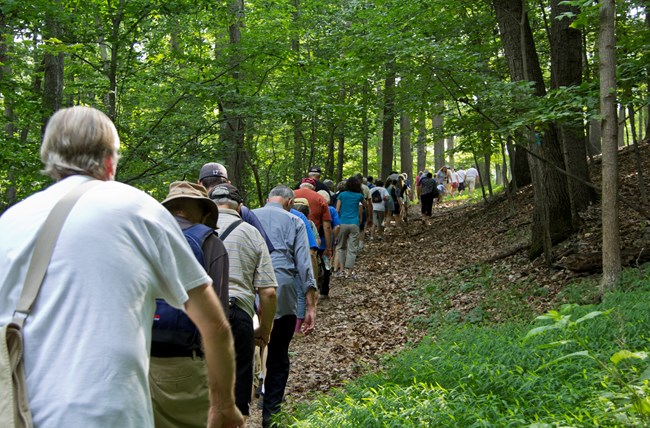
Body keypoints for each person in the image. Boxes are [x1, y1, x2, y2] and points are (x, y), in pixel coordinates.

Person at [0, 106, 243, 428]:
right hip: (109, 411)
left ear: (49, 158)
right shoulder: (139, 210)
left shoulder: (11, 222)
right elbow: (214, 325)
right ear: (110, 161)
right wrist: (223, 406)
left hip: (19, 410)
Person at [149, 181, 232, 428]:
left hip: (138, 362)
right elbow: (218, 317)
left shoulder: (145, 236)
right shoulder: (210, 243)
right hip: (186, 365)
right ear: (205, 212)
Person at [210, 183, 278, 420]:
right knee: (238, 387)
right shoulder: (251, 233)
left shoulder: (197, 231)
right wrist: (264, 331)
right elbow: (268, 292)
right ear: (239, 207)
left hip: (202, 313)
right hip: (237, 313)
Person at [252, 185, 318, 428]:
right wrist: (310, 304)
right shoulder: (295, 221)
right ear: (289, 202)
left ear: (268, 199)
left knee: (247, 351)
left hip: (251, 292)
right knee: (278, 355)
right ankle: (271, 417)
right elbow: (304, 263)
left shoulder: (247, 215)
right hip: (284, 291)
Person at [199, 162, 275, 254]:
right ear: (229, 184)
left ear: (200, 184)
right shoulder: (242, 211)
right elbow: (264, 247)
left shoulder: (192, 210)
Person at [294, 177, 333, 260]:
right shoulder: (320, 198)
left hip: (291, 236)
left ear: (300, 186)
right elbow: (327, 226)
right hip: (312, 238)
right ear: (314, 188)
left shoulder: (291, 195)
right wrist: (329, 247)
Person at [335, 175, 366, 277]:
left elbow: (337, 210)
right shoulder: (359, 196)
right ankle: (349, 272)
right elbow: (365, 205)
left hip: (343, 222)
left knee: (340, 247)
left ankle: (342, 270)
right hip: (354, 223)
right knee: (352, 249)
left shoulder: (342, 195)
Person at [316, 189, 340, 298]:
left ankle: (314, 288)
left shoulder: (312, 210)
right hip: (327, 245)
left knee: (313, 265)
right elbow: (337, 226)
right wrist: (333, 239)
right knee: (326, 266)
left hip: (314, 244)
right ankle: (324, 291)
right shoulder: (332, 210)